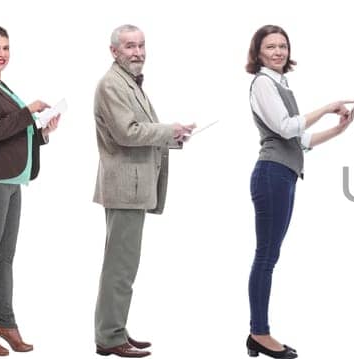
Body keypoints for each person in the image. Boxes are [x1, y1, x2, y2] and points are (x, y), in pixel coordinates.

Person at [242, 24, 354, 359]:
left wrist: (338, 129)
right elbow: (287, 127)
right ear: (258, 53)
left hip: (284, 174)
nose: (278, 52)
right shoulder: (263, 82)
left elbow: (300, 141)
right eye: (270, 47)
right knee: (265, 257)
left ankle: (258, 333)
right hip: (271, 175)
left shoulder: (280, 83)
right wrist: (328, 106)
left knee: (269, 256)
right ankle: (259, 333)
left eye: (282, 46)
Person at [90, 24, 197, 358]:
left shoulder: (130, 83)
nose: (137, 52)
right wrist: (168, 130)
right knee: (120, 266)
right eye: (129, 47)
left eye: (140, 45)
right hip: (124, 187)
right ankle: (109, 337)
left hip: (133, 186)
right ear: (114, 51)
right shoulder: (111, 84)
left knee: (124, 265)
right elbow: (127, 132)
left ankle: (115, 330)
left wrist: (173, 138)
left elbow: (140, 131)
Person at [0, 25, 60, 357]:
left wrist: (42, 133)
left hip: (13, 180)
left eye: (5, 47)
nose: (1, 53)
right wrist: (26, 112)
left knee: (5, 259)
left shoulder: (1, 86)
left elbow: (13, 135)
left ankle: (7, 323)